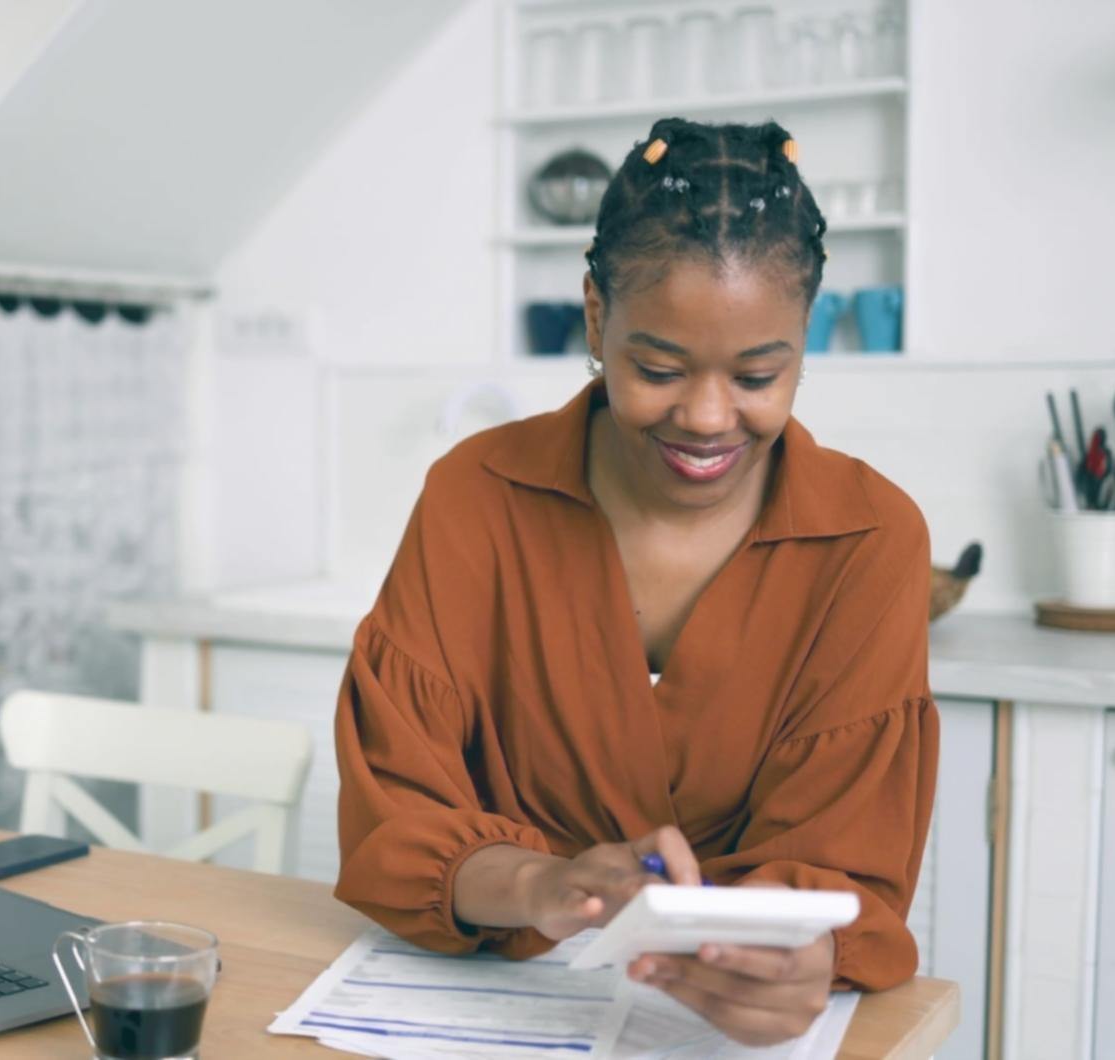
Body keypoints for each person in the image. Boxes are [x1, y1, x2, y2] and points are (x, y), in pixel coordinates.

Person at [332, 117, 937, 1047]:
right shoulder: (475, 497)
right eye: (658, 369)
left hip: (737, 1031)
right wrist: (541, 885)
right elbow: (396, 817)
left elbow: (847, 868)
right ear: (594, 316)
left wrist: (801, 958)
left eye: (758, 375)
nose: (707, 417)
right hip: (489, 1010)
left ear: (804, 336)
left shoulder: (870, 540)